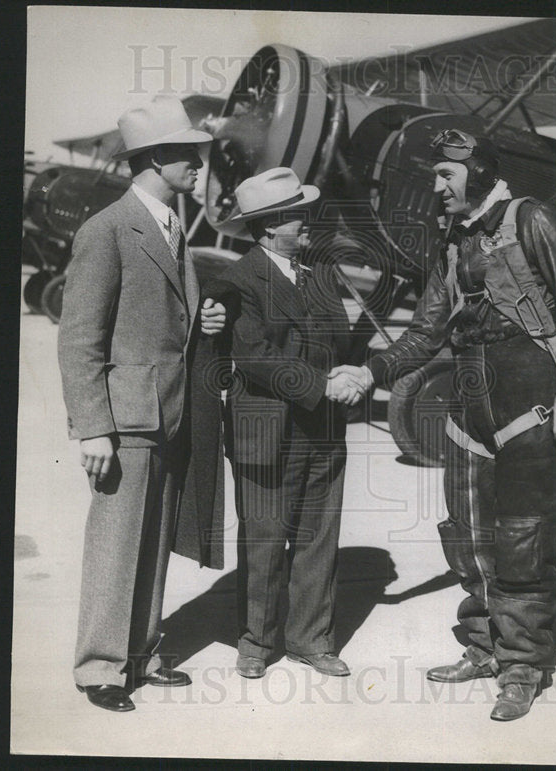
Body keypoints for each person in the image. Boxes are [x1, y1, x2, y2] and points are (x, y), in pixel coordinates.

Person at [338, 128, 556, 721]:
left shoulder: (532, 220)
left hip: (532, 415)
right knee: (468, 538)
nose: (436, 186)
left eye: (446, 176)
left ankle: (522, 666)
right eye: (435, 175)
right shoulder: (453, 243)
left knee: (524, 543)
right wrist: (370, 370)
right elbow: (427, 331)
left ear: (479, 174)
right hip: (469, 422)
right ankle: (484, 646)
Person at [58, 96, 227, 712]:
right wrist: (92, 429)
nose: (201, 168)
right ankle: (98, 666)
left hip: (170, 409)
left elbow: (165, 317)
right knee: (117, 539)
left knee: (154, 539)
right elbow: (80, 338)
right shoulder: (105, 230)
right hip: (127, 416)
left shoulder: (170, 227)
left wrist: (204, 320)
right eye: (191, 156)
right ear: (159, 157)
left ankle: (141, 653)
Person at [206, 167, 360, 680]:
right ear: (270, 226)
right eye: (297, 214)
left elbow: (343, 339)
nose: (307, 222)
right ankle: (256, 641)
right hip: (267, 432)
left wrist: (354, 374)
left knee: (318, 538)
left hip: (323, 429)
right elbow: (253, 355)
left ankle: (311, 639)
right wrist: (322, 385)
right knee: (265, 540)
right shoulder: (239, 279)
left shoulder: (318, 273)